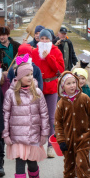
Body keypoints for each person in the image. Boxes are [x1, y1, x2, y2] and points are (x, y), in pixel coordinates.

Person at [3, 59, 49, 178]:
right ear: (19, 78)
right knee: (20, 163)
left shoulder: (38, 93)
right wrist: (5, 134)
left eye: (31, 74)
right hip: (17, 136)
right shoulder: (11, 94)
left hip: (33, 135)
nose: (30, 77)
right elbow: (5, 114)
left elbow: (44, 114)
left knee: (32, 162)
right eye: (27, 75)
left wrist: (44, 133)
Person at [55, 71, 90, 178]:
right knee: (69, 163)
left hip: (83, 138)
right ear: (63, 86)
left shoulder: (84, 98)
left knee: (82, 164)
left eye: (74, 82)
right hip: (68, 140)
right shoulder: (61, 103)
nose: (72, 85)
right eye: (68, 83)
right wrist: (61, 140)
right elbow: (58, 124)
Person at [32, 29, 65, 158]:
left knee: (51, 117)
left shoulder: (56, 51)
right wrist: (22, 52)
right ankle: (37, 146)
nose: (44, 41)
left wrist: (48, 57)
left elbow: (60, 69)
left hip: (51, 87)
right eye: (42, 39)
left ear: (51, 40)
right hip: (37, 88)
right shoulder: (34, 52)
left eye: (46, 39)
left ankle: (51, 146)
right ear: (38, 40)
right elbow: (24, 64)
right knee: (36, 117)